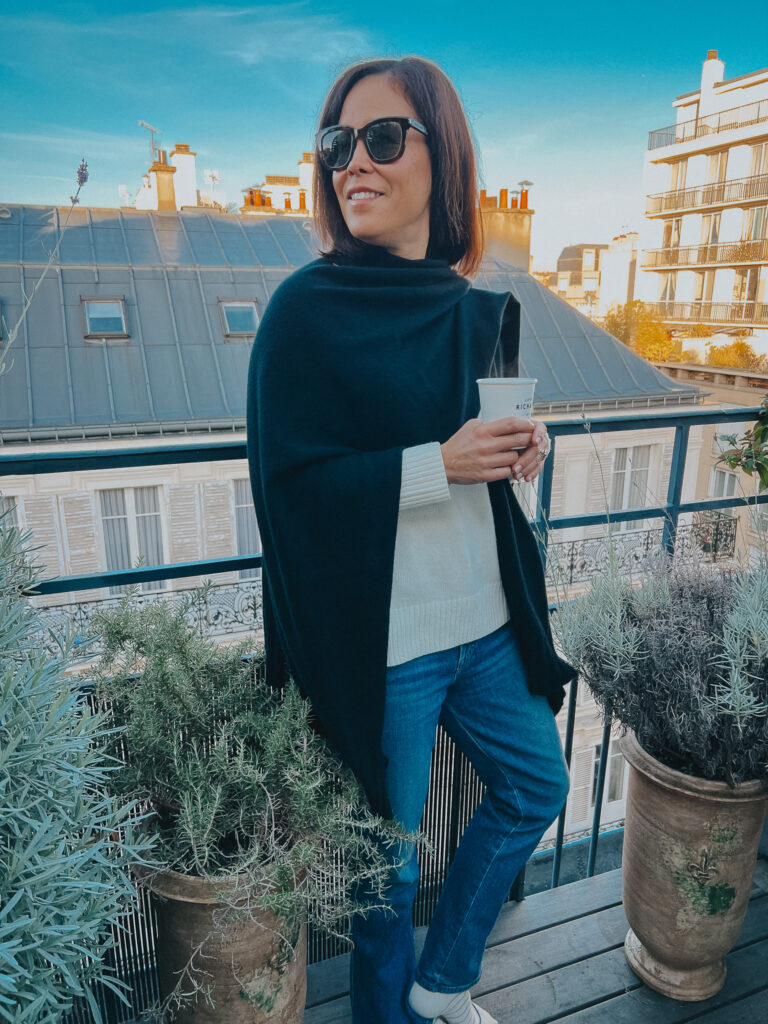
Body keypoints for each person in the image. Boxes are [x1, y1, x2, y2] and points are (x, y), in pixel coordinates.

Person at [246, 55, 576, 1024]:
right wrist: (441, 462)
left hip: (487, 625)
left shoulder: (471, 310)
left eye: (383, 138)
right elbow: (289, 491)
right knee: (383, 878)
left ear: (445, 157)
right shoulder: (302, 314)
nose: (355, 161)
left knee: (536, 785)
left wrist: (526, 447)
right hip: (385, 650)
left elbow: (485, 449)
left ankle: (444, 982)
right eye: (337, 143)